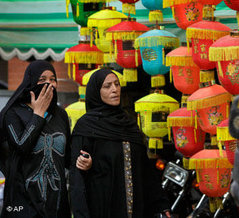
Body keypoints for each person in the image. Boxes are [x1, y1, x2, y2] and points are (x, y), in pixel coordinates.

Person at [69, 68, 170, 218]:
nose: (114, 89)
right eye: (107, 86)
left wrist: (160, 204)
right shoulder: (86, 127)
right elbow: (77, 178)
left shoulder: (129, 124)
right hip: (102, 208)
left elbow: (145, 169)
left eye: (117, 84)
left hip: (135, 208)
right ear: (96, 91)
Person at [0, 60, 73, 217]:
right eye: (42, 80)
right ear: (31, 83)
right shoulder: (13, 113)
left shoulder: (60, 115)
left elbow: (67, 157)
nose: (49, 84)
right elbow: (21, 146)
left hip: (56, 202)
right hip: (23, 201)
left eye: (53, 79)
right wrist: (38, 114)